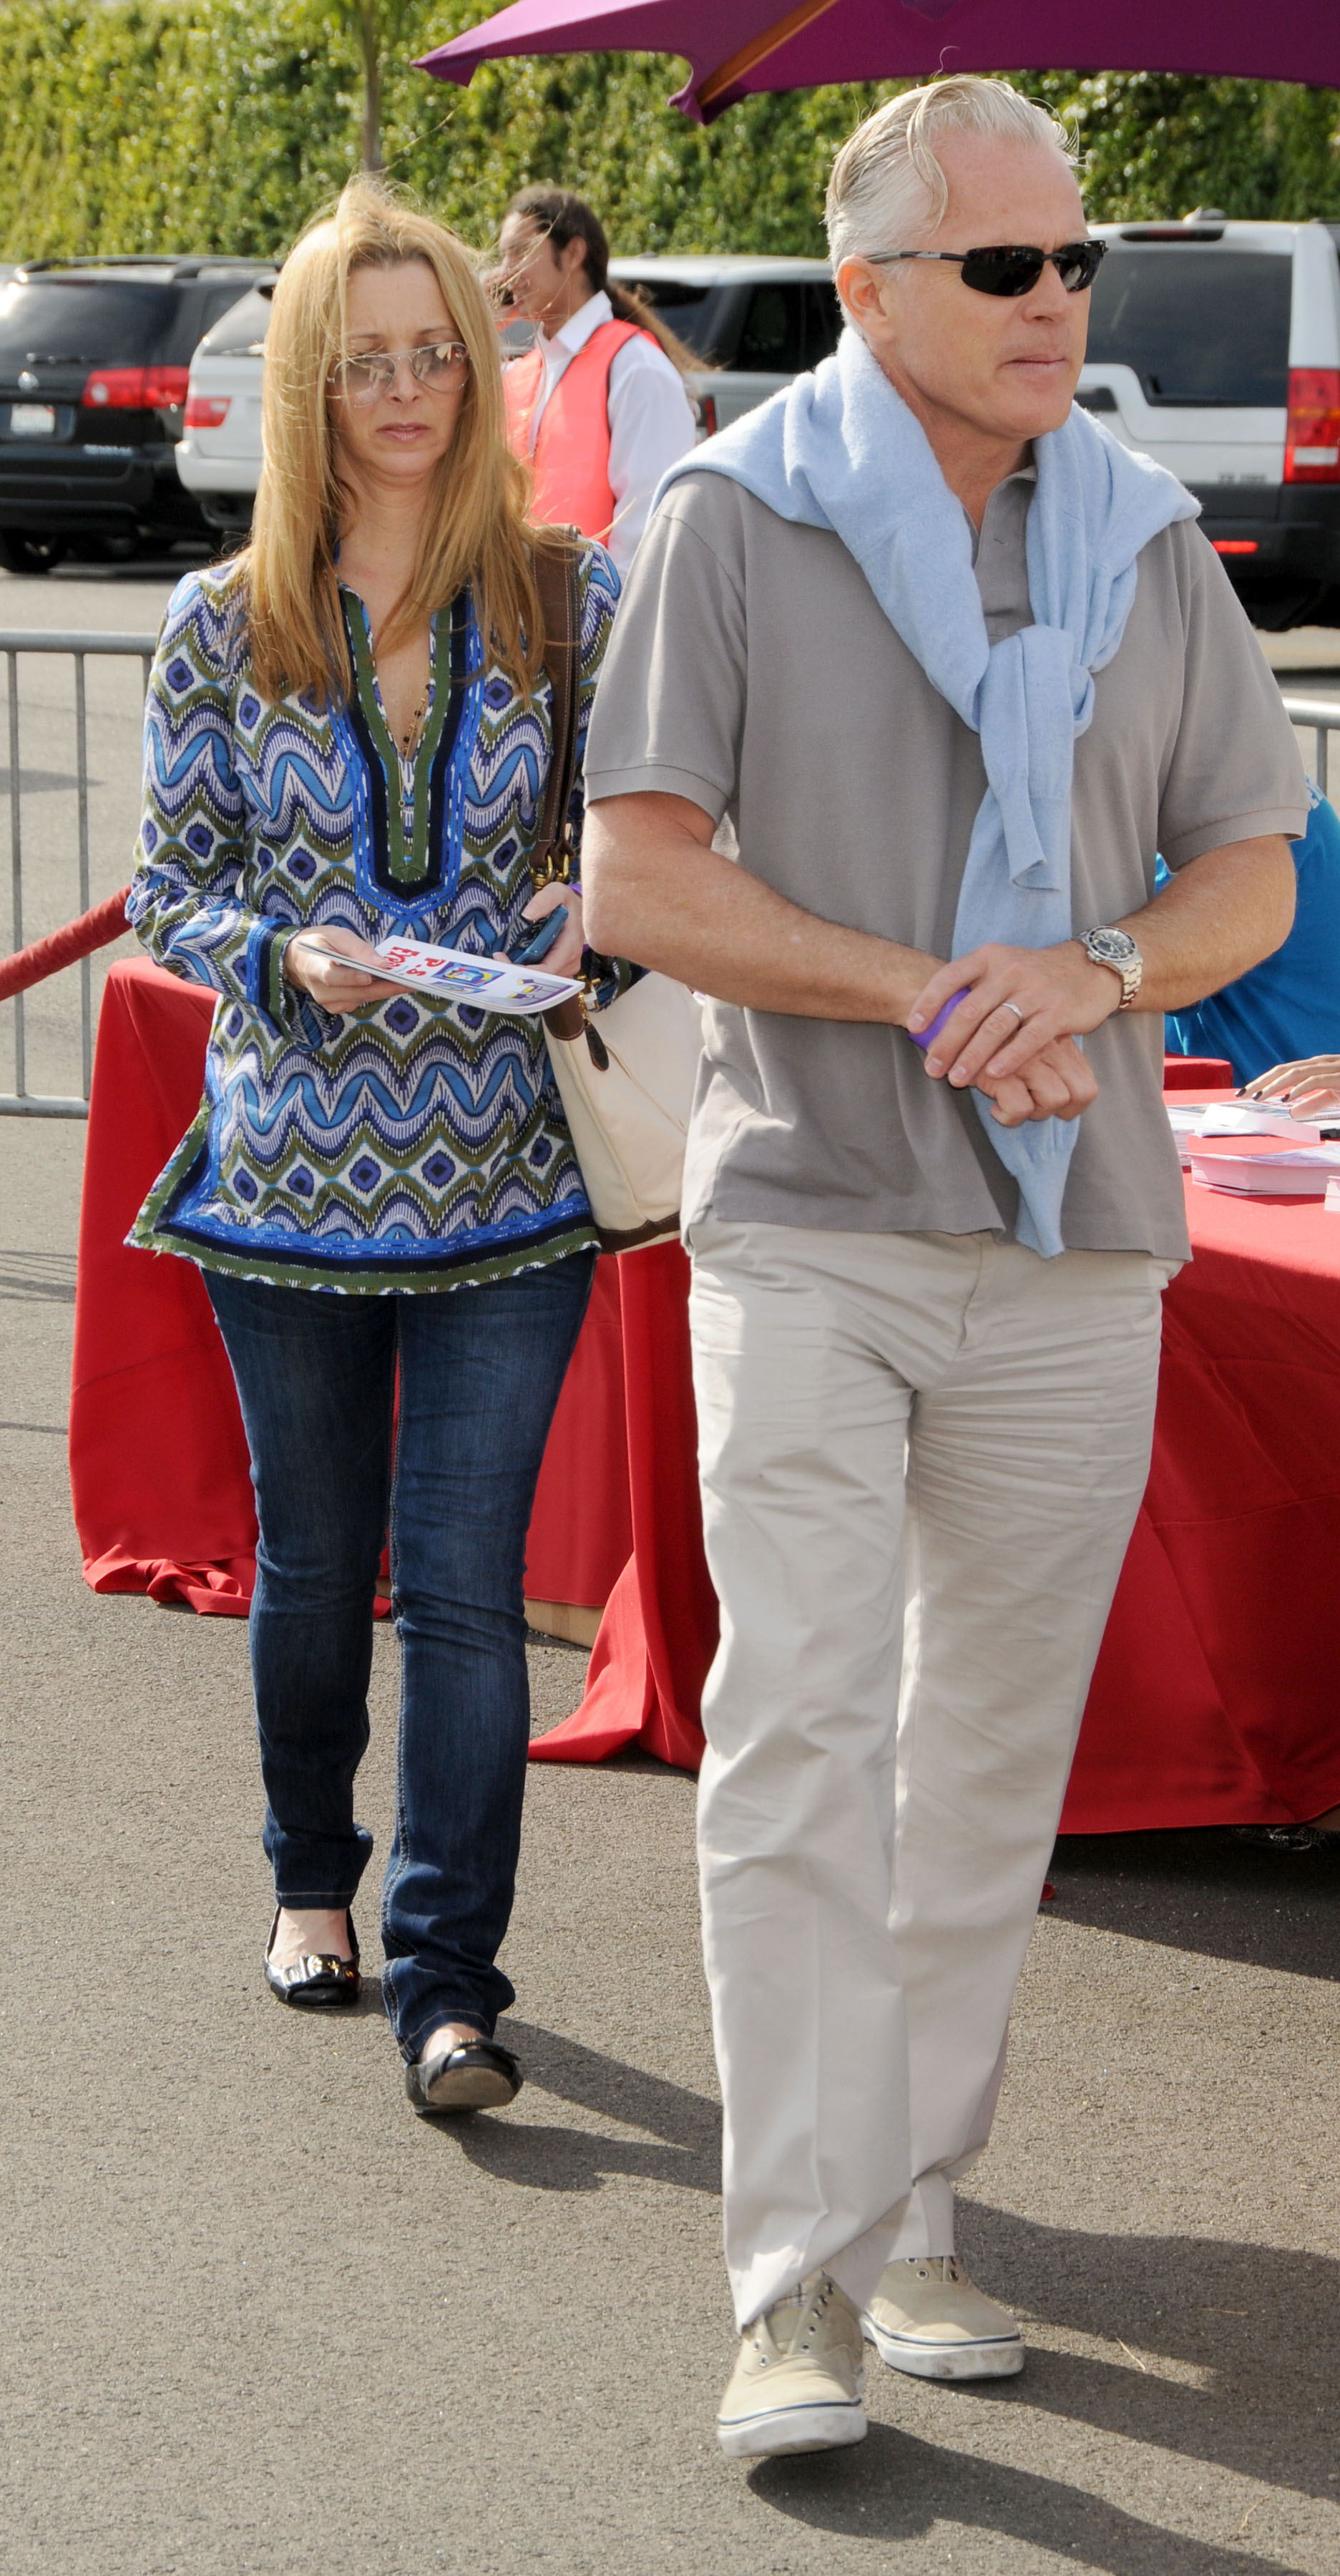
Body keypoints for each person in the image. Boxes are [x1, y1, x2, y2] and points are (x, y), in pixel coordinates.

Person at [581, 74, 1305, 2459]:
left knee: (986, 1772)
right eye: (1003, 268)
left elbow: (1253, 872)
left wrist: (1092, 969)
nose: (1056, 303)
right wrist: (918, 985)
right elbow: (640, 886)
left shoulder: (1146, 536)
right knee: (799, 1751)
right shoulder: (727, 516)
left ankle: (911, 2219)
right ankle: (781, 2287)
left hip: (1080, 1242)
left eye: (1073, 260)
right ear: (872, 286)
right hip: (805, 1219)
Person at [125, 178, 620, 2117]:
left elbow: (650, 829)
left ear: (480, 367)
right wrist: (274, 952)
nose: (407, 393)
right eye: (367, 364)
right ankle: (306, 1880)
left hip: (509, 1181)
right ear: (311, 391)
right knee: (318, 1570)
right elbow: (172, 888)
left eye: (437, 355)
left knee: (469, 1589)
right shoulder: (217, 622)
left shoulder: (567, 593)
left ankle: (449, 1984)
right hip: (287, 1185)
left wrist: (605, 904)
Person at [493, 185, 696, 575]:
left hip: (599, 625)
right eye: (504, 256)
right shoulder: (519, 375)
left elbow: (646, 540)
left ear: (572, 253)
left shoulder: (635, 367)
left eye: (519, 251)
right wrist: (482, 325)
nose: (505, 273)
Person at [1161, 779, 1340, 1085]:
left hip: (1305, 1111)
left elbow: (1136, 965)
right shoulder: (1261, 786)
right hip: (1334, 1094)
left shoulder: (1227, 807)